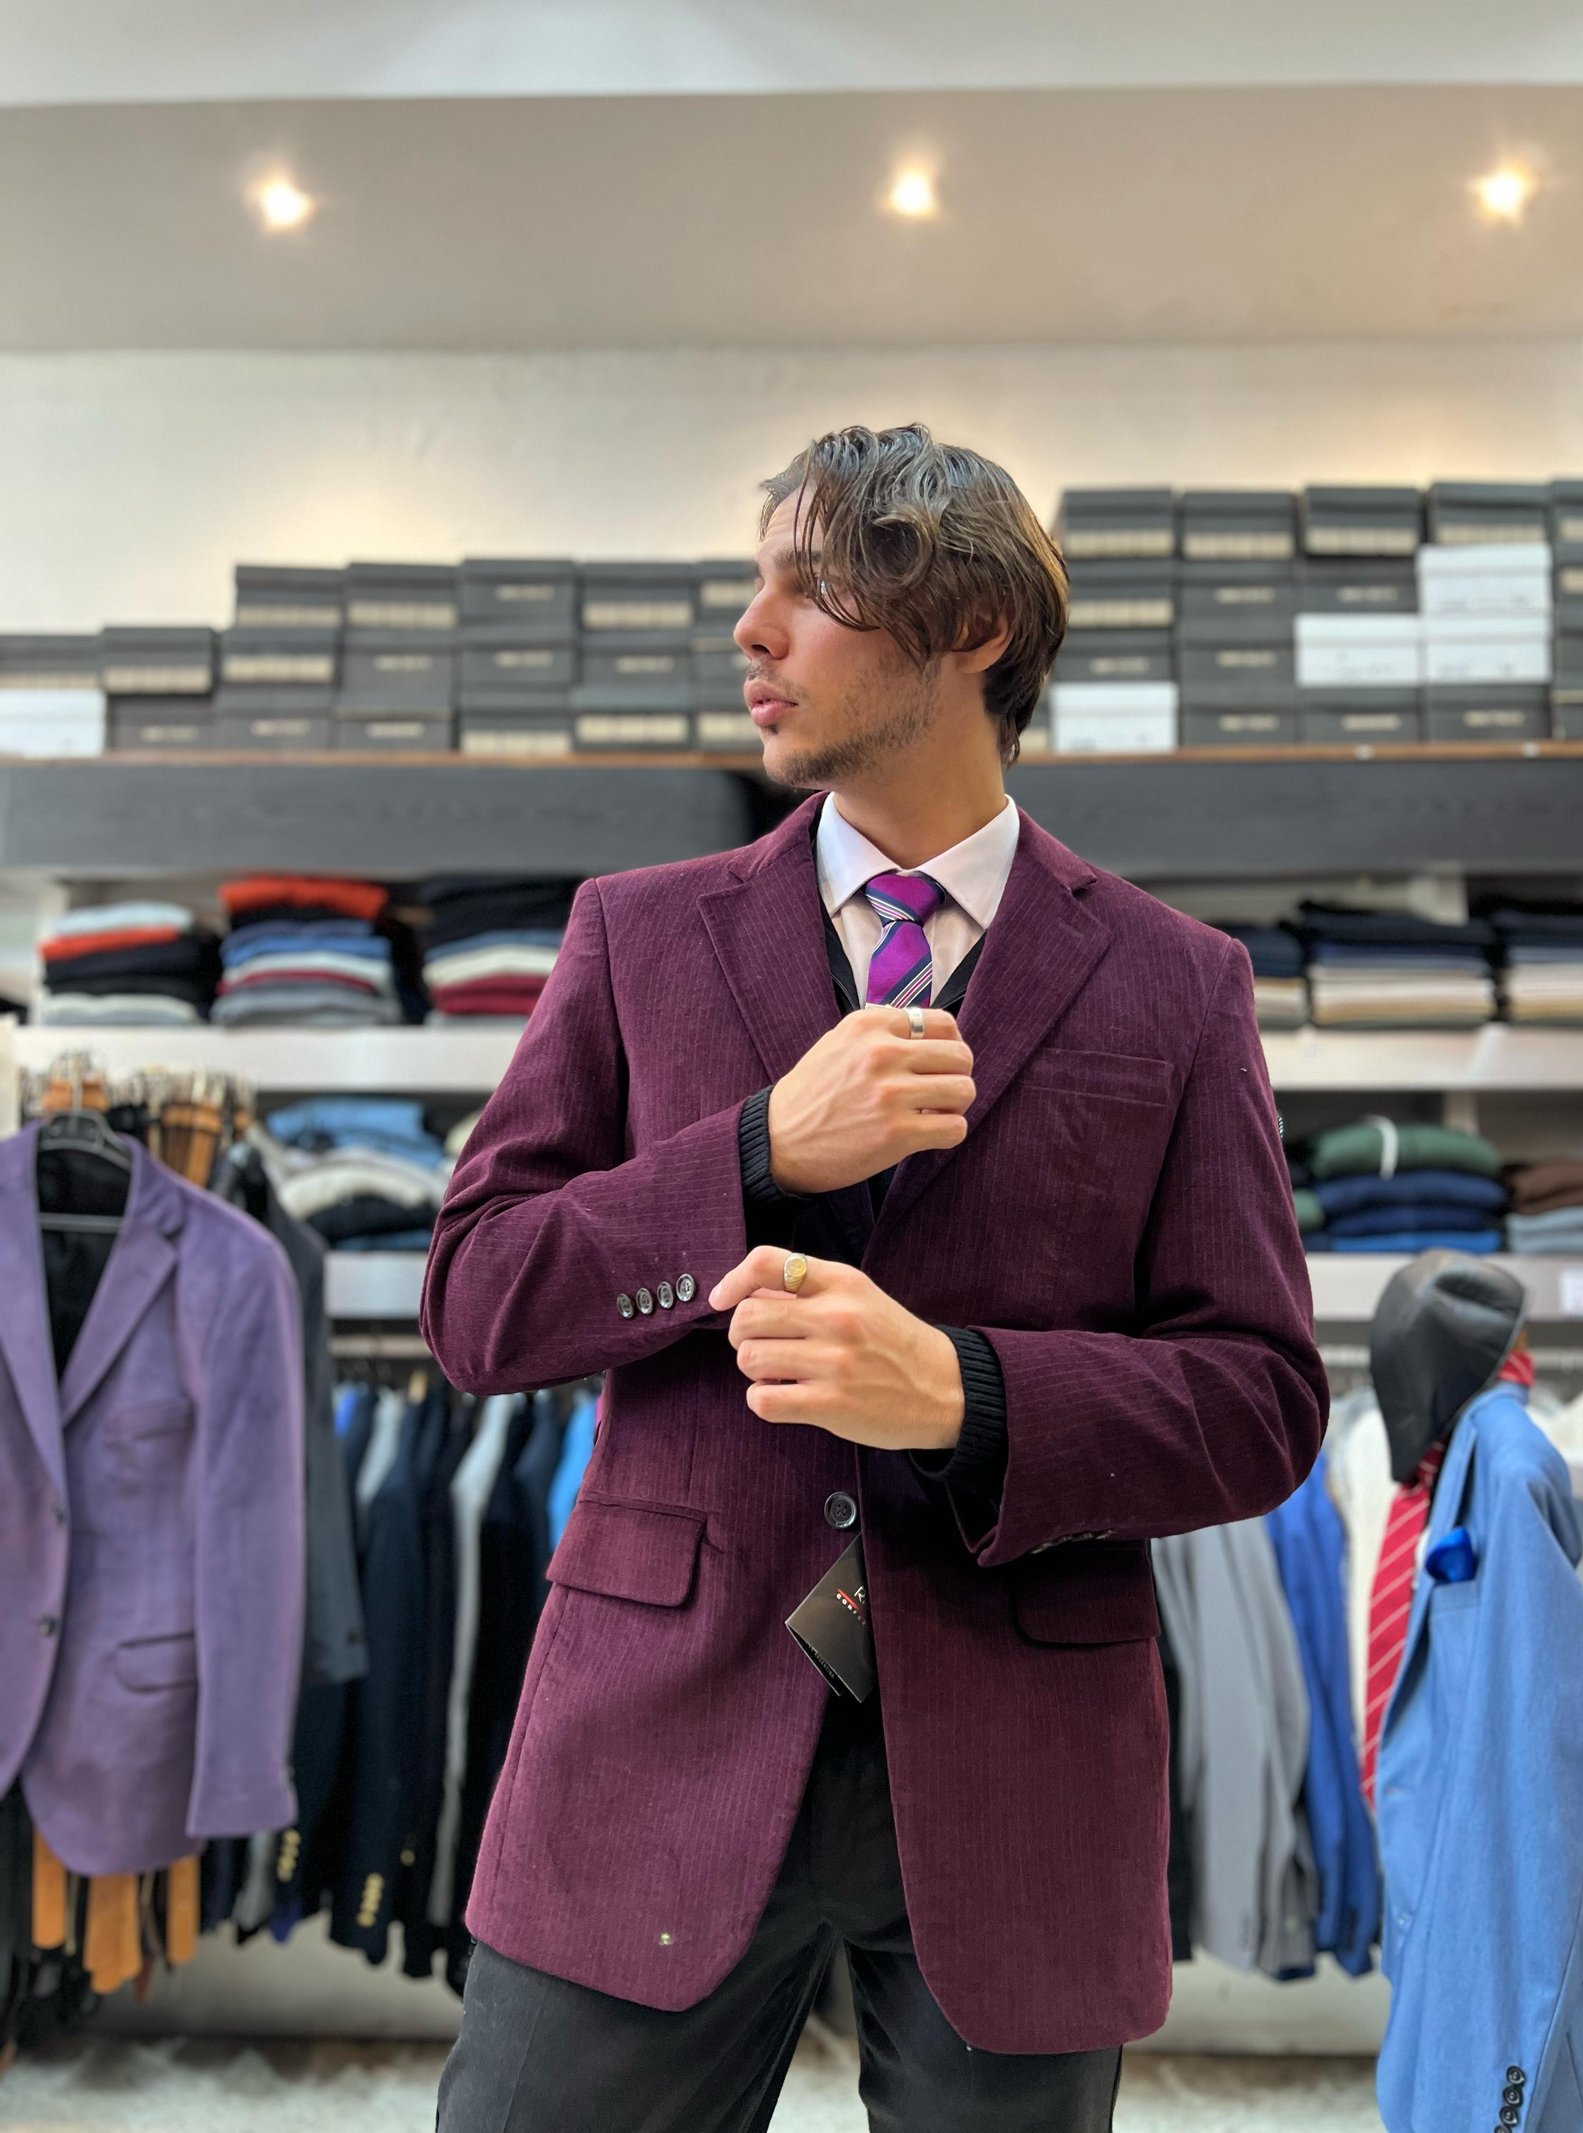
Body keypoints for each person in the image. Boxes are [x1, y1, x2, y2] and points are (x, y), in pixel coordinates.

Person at [423, 422, 1328, 2132]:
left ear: (971, 626)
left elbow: (1265, 1402)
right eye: (754, 583)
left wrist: (968, 1395)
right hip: (657, 1739)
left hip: (1020, 1764)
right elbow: (477, 1299)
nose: (750, 629)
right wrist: (754, 1150)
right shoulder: (639, 932)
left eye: (810, 586)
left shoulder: (1176, 984)